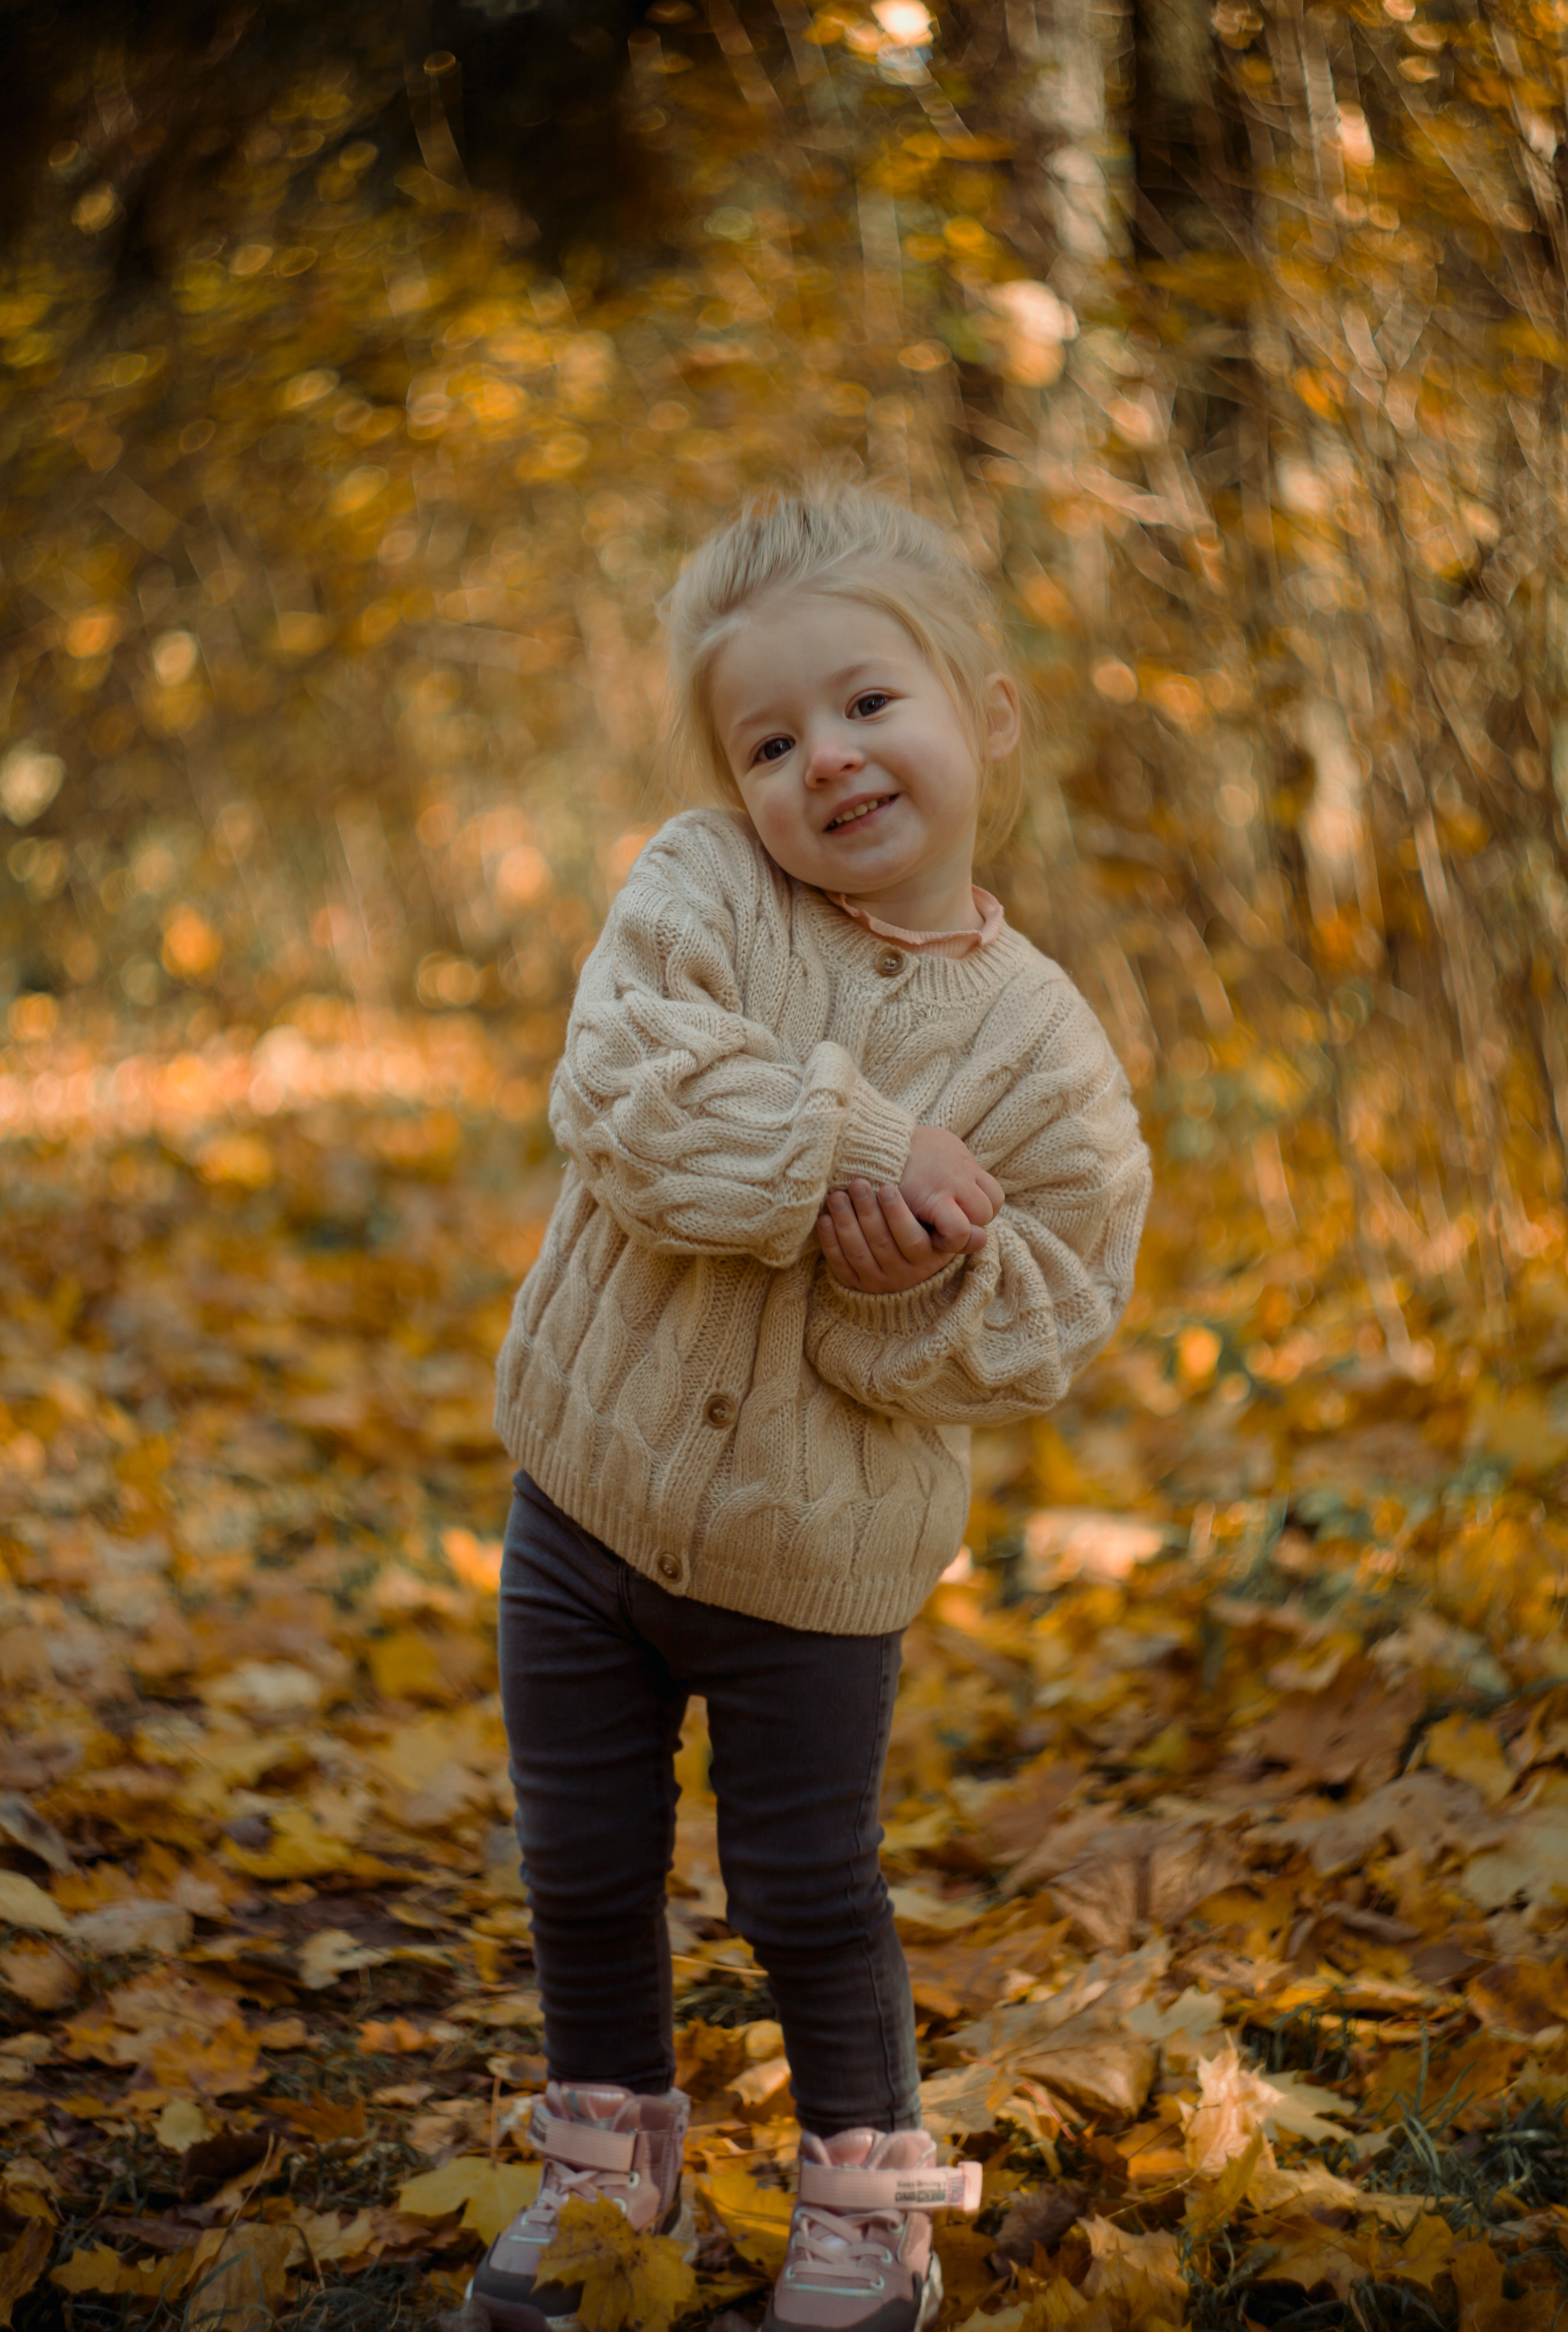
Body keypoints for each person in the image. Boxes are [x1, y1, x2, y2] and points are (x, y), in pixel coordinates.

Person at [473, 486, 1151, 2332]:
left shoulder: (1047, 1055)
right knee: (586, 1859)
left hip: (816, 1566)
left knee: (805, 1885)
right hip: (585, 1500)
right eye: (771, 740)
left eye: (869, 704)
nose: (825, 761)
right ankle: (612, 2169)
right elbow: (627, 1088)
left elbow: (1058, 1298)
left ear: (984, 716)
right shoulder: (697, 888)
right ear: (729, 777)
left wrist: (904, 1286)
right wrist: (859, 1149)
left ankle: (870, 2200)